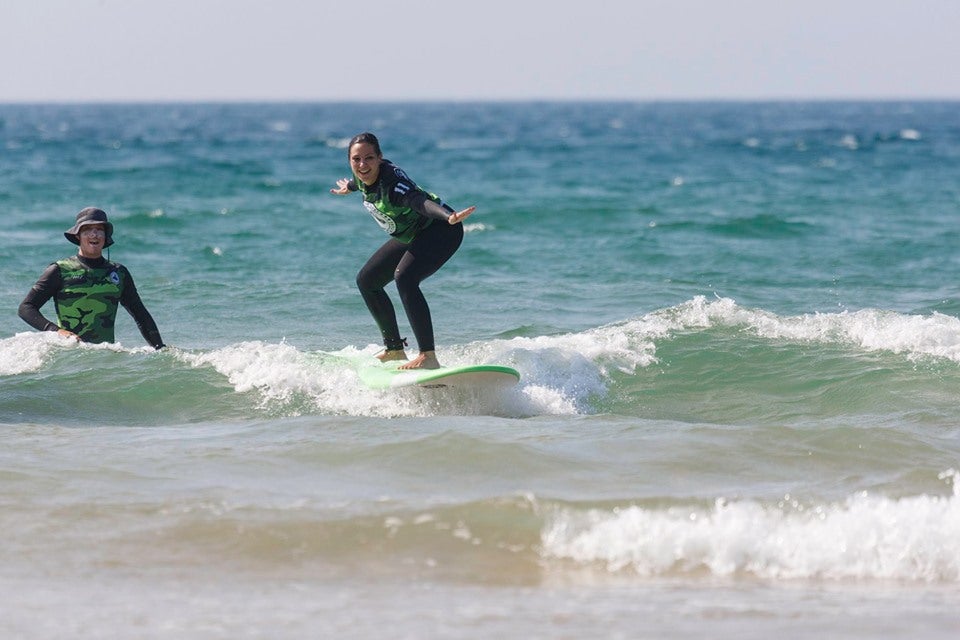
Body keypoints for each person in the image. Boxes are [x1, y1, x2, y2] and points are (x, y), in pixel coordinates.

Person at [330, 132, 475, 370]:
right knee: (367, 281)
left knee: (405, 278)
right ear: (350, 161)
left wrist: (448, 216)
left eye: (369, 158)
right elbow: (361, 181)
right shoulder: (365, 176)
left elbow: (418, 201)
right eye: (356, 159)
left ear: (380, 158)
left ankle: (428, 356)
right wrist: (349, 187)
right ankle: (395, 348)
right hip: (412, 234)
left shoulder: (394, 187)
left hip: (441, 228)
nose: (362, 164)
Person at [18, 207, 166, 350]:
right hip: (68, 356)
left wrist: (160, 349)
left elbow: (141, 315)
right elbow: (26, 308)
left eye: (99, 230)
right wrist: (56, 331)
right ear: (78, 235)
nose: (94, 234)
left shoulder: (119, 273)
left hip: (103, 358)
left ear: (105, 236)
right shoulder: (60, 270)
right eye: (87, 230)